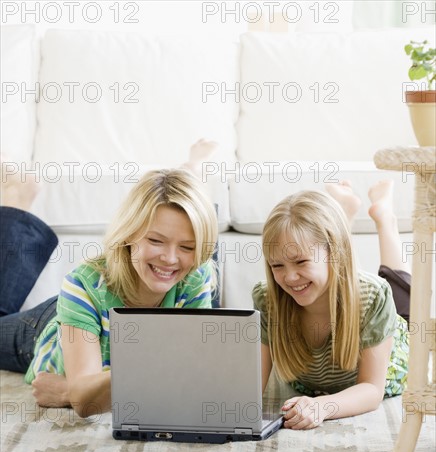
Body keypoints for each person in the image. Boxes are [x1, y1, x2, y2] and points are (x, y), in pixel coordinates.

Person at [0, 140, 219, 417]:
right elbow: (86, 402)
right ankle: (15, 195)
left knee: (200, 257)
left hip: (104, 311)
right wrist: (78, 392)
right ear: (129, 234)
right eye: (155, 240)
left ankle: (192, 173)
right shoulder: (83, 284)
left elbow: (191, 380)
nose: (170, 258)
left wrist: (68, 392)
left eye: (187, 247)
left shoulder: (195, 275)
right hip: (58, 323)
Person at [253, 180, 410, 430]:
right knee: (322, 275)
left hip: (392, 345)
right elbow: (251, 387)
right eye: (277, 266)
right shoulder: (267, 299)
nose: (289, 277)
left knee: (398, 285)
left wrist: (322, 406)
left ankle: (383, 216)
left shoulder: (373, 298)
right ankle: (344, 210)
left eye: (301, 262)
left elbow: (371, 389)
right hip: (316, 380)